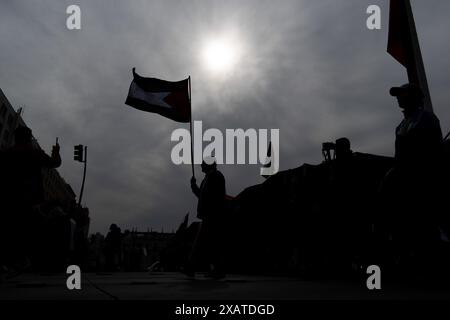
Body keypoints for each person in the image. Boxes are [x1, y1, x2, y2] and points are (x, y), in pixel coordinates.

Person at [382, 83, 443, 271]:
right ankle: (413, 263)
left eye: (403, 93)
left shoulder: (427, 118)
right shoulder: (400, 126)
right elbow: (398, 156)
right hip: (404, 183)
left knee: (426, 223)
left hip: (424, 181)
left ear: (414, 97)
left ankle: (433, 266)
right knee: (407, 224)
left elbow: (436, 152)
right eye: (398, 94)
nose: (399, 98)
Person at [0, 126, 61, 272]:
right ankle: (21, 260)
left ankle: (8, 262)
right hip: (30, 199)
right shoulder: (35, 153)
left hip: (9, 198)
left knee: (8, 229)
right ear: (28, 138)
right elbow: (54, 163)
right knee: (25, 230)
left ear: (15, 137)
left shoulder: (6, 153)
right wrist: (56, 152)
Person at [184, 157, 227, 279]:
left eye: (203, 164)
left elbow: (211, 197)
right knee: (211, 243)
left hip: (212, 215)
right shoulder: (208, 178)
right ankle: (217, 270)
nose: (201, 165)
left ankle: (191, 267)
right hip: (210, 215)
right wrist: (194, 186)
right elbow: (202, 195)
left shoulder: (215, 176)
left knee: (203, 242)